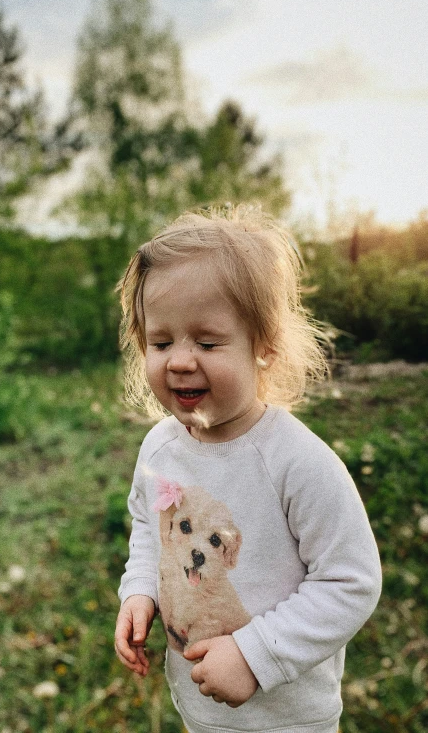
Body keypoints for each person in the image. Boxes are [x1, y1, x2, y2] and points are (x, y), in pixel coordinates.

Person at [114, 205, 382, 733]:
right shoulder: (161, 448)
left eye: (208, 343)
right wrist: (140, 590)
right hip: (201, 709)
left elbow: (351, 580)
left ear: (265, 347)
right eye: (161, 342)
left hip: (287, 719)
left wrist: (254, 655)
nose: (181, 361)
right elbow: (150, 528)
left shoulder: (296, 461)